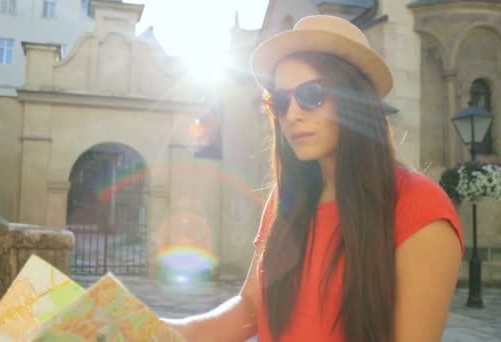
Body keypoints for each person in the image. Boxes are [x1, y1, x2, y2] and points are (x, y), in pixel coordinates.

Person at [163, 15, 464, 342]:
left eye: (311, 94)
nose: (292, 113)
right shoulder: (285, 200)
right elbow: (250, 307)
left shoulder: (419, 207)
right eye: (279, 100)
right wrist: (168, 330)